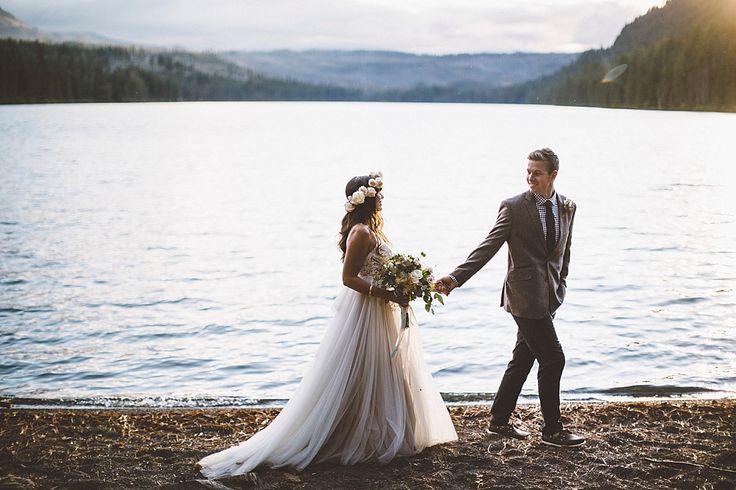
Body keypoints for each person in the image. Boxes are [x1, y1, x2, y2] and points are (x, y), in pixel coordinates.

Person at [197, 173, 457, 479]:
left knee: (385, 370)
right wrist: (387, 293)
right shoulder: (360, 232)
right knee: (363, 370)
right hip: (367, 312)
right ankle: (357, 436)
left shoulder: (370, 230)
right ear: (367, 199)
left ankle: (385, 433)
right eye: (380, 195)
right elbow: (348, 278)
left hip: (379, 309)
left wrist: (406, 284)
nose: (383, 200)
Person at [435, 148, 585, 447]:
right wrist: (455, 278)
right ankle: (552, 431)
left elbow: (564, 251)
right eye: (528, 171)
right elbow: (488, 245)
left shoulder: (568, 206)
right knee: (554, 359)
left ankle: (498, 421)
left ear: (553, 175)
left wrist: (562, 284)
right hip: (523, 297)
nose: (530, 177)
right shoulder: (514, 207)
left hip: (551, 296)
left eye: (537, 172)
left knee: (523, 358)